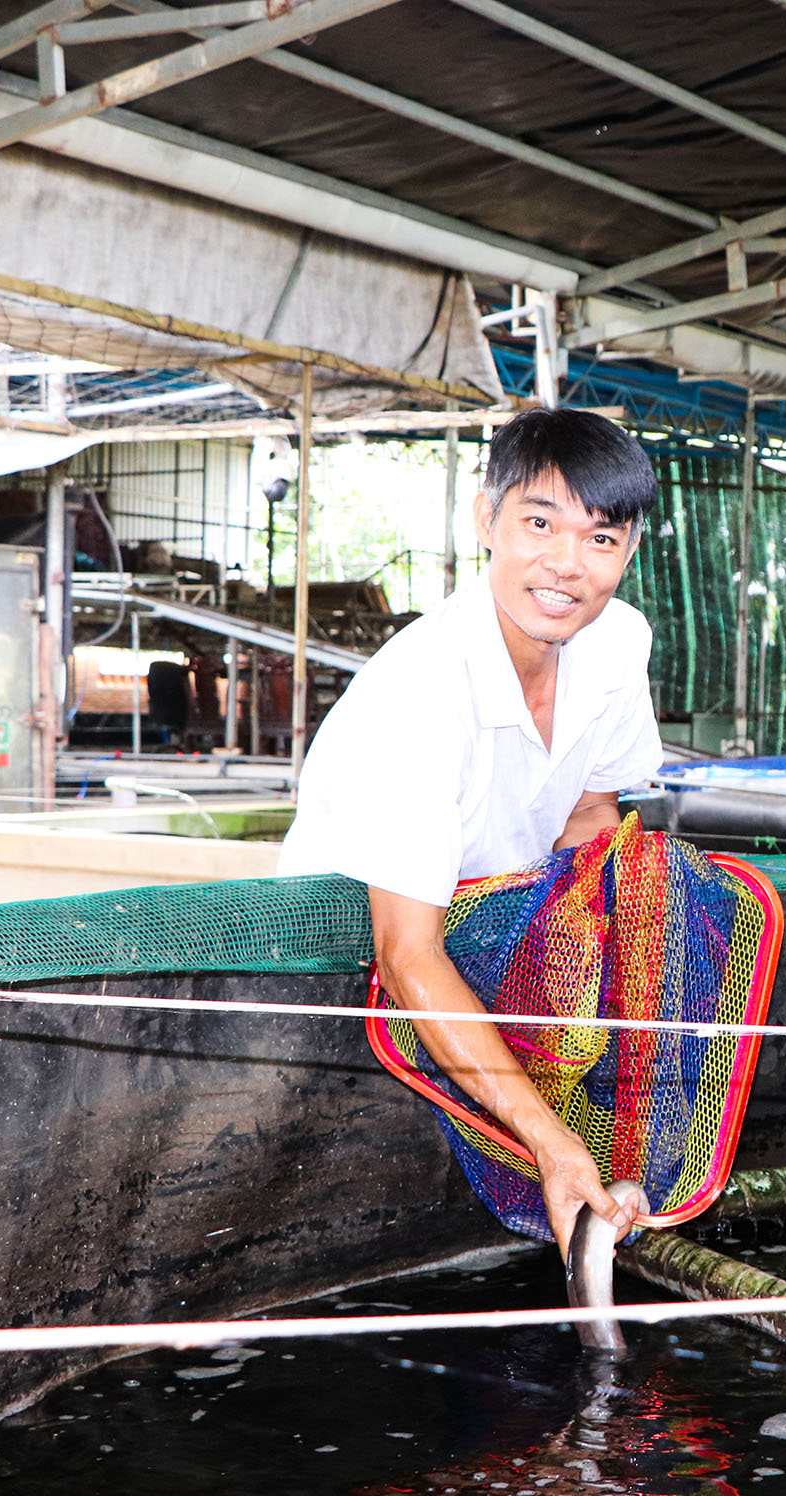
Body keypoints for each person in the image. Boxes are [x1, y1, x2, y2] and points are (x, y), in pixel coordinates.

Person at [277, 407, 662, 1255]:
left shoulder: (618, 644)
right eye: (538, 524)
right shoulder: (418, 692)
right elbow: (406, 952)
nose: (566, 566)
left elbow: (590, 810)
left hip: (486, 943)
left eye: (601, 540)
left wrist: (594, 928)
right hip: (347, 981)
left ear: (629, 552)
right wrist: (552, 1143)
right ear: (485, 519)